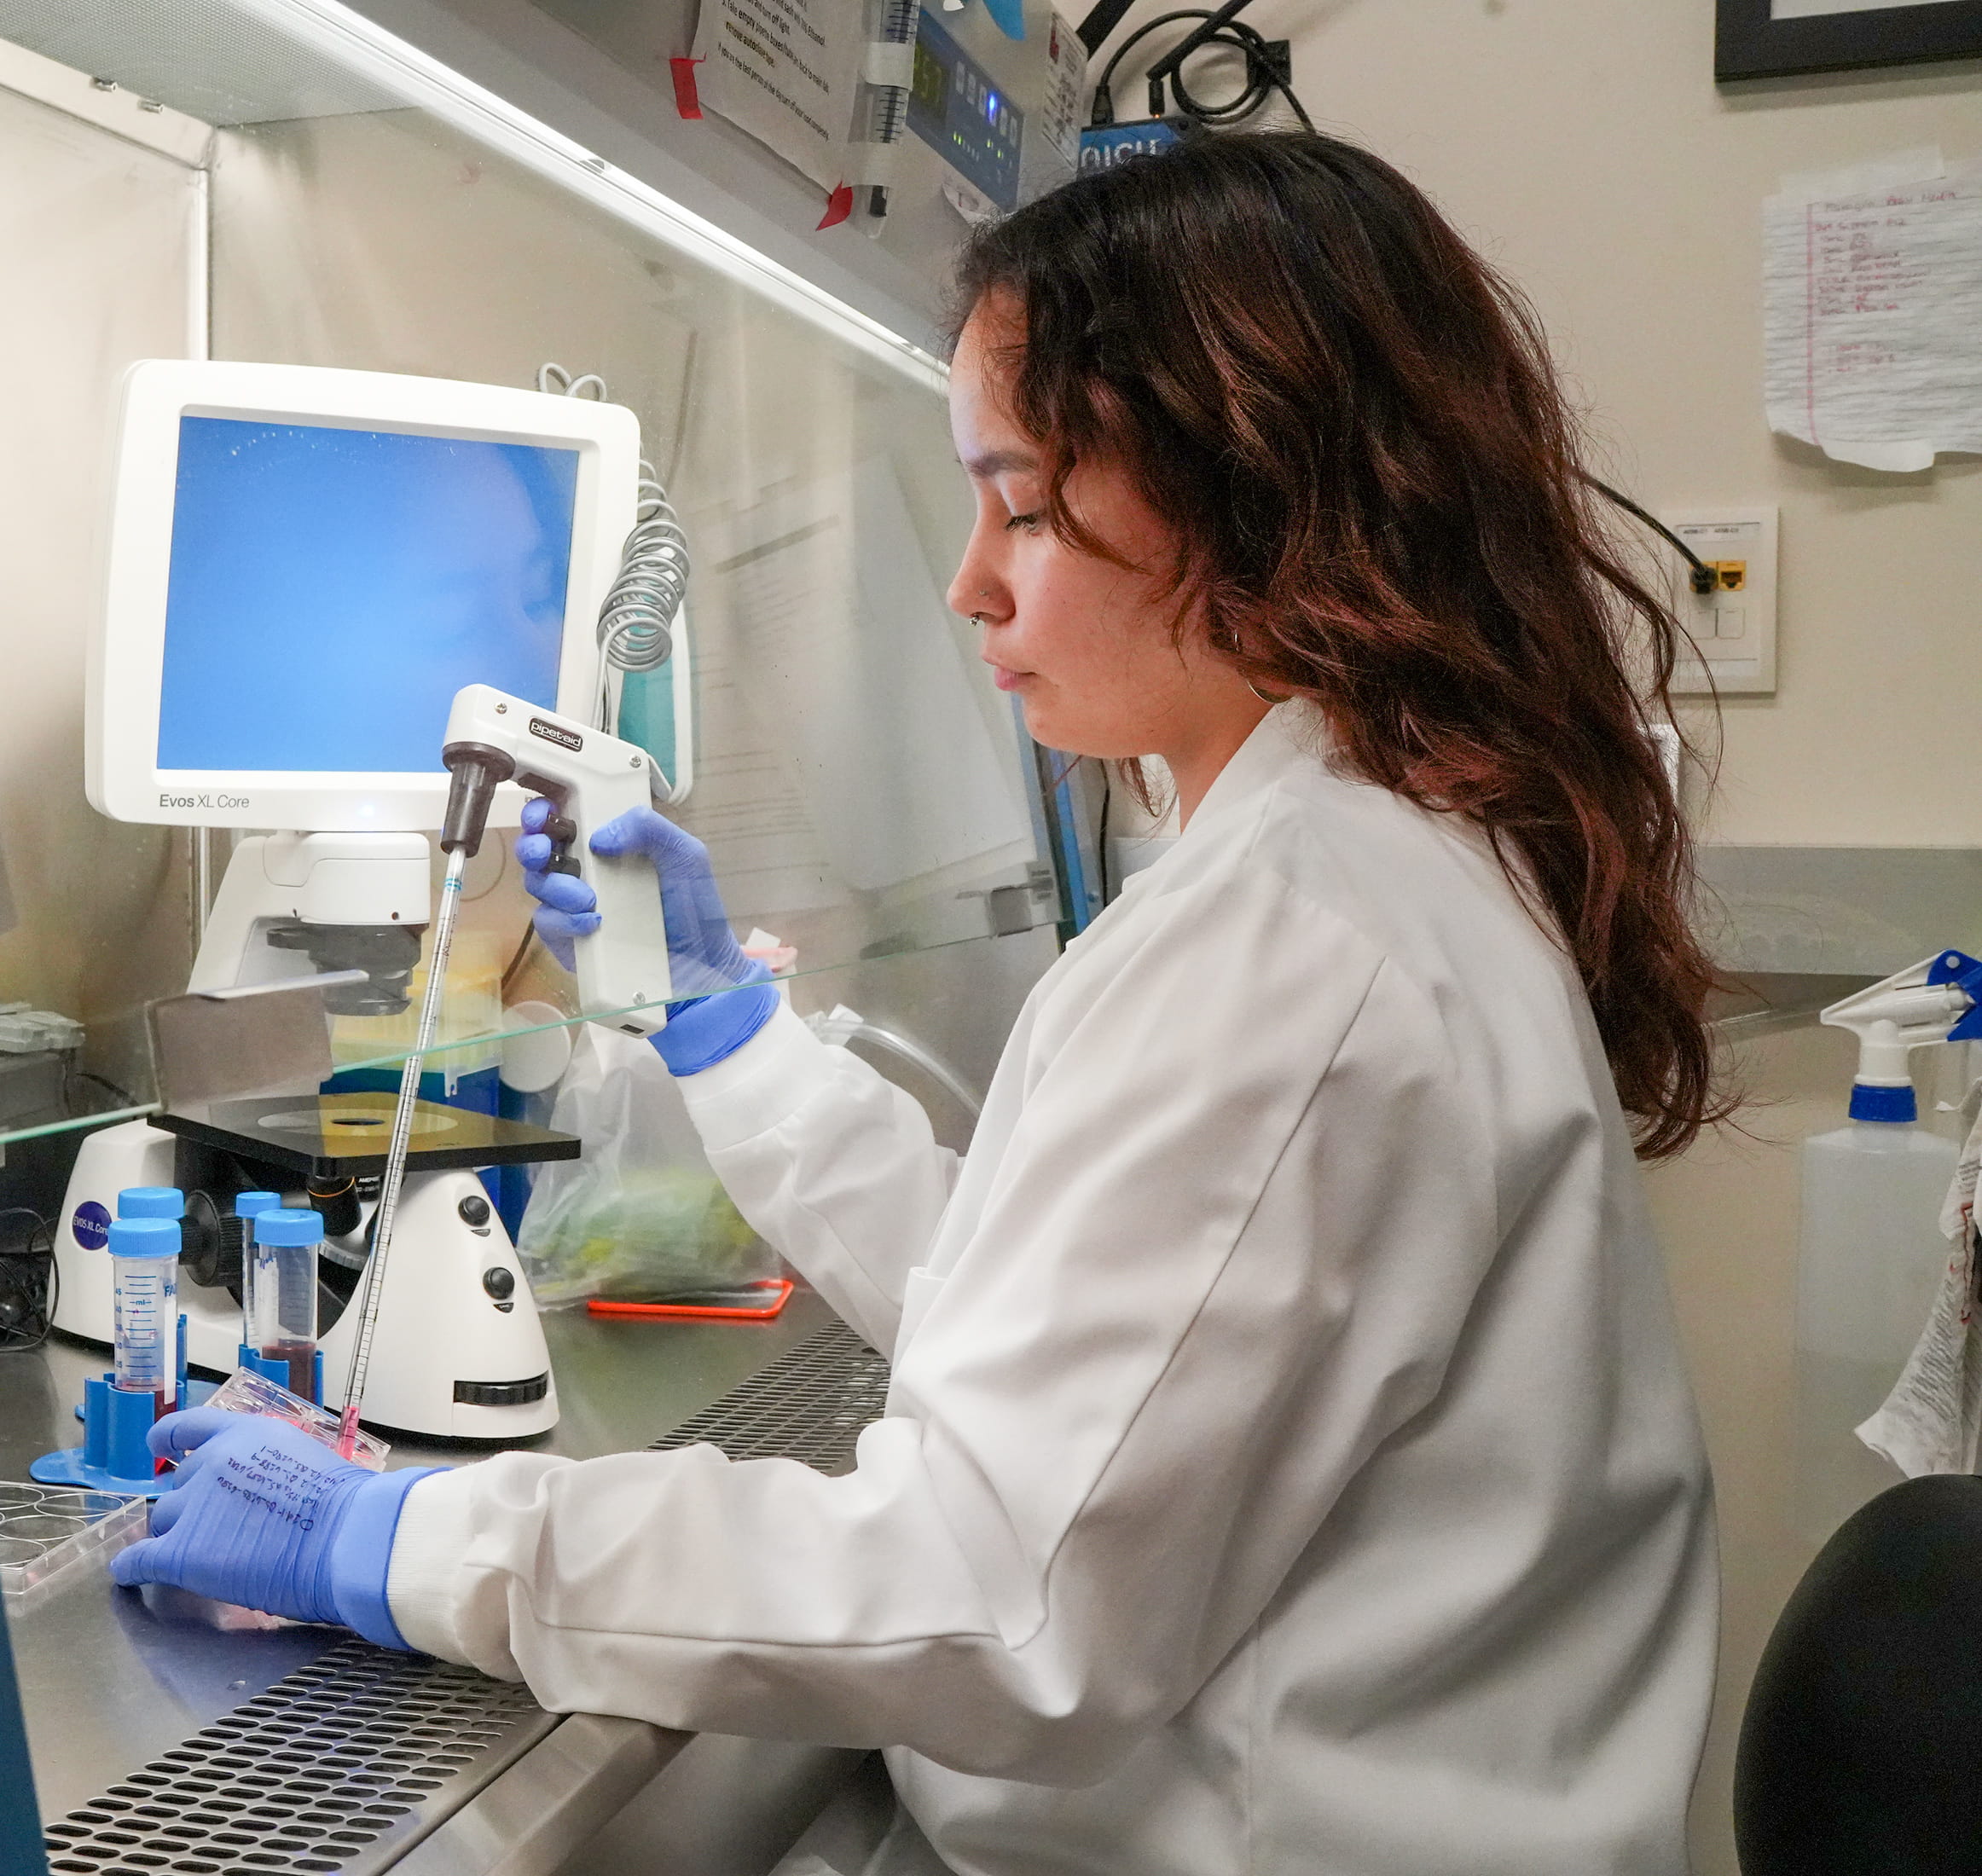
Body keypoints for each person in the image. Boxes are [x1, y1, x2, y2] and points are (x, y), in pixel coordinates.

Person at [114, 130, 1724, 1875]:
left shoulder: (1301, 936)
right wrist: (726, 1025)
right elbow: (1066, 1330)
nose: (972, 579)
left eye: (1022, 504)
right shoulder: (1357, 858)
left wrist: (409, 1533)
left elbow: (996, 1588)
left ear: (1254, 489)